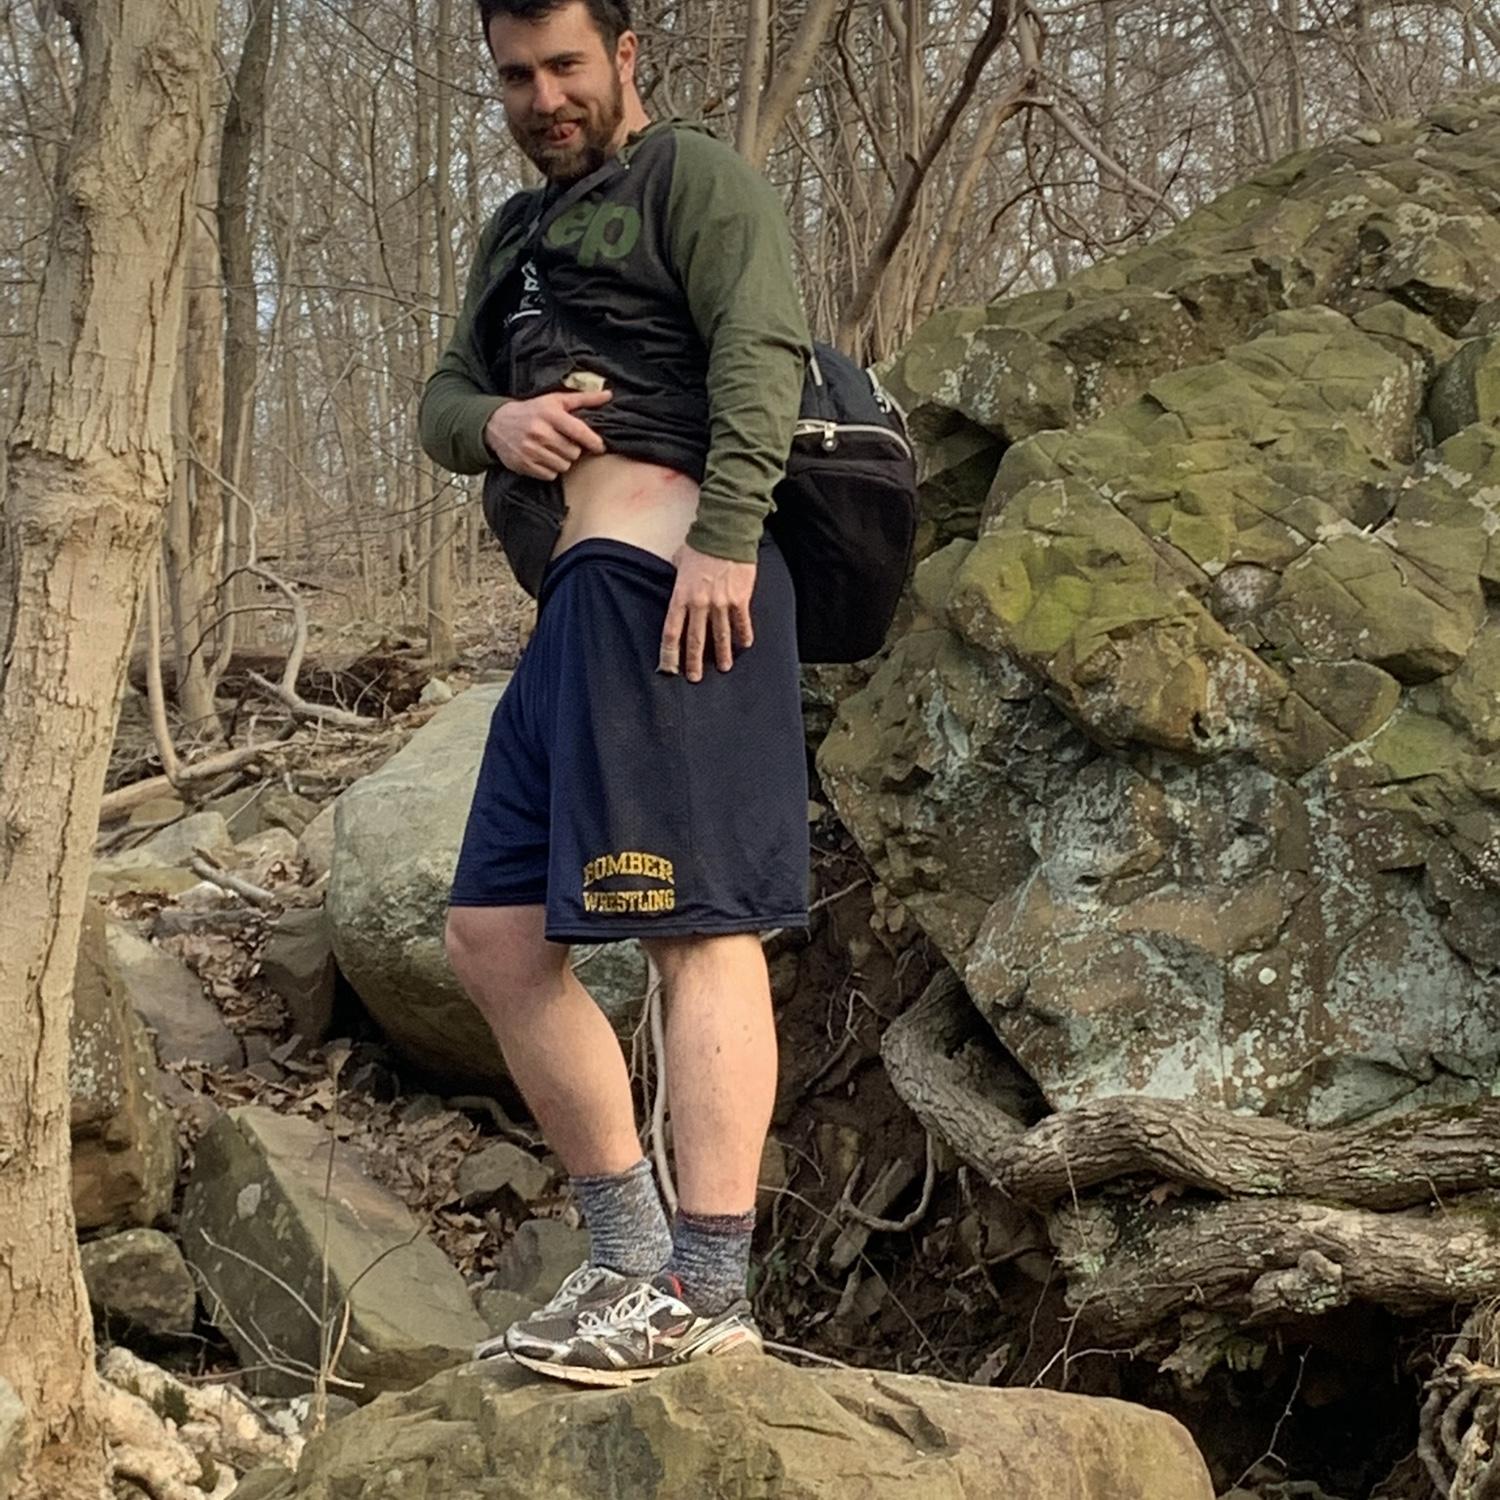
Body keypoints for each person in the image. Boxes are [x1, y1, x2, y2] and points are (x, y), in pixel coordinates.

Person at [418, 0, 812, 1386]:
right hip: (573, 613)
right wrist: (499, 426)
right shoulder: (513, 239)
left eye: (566, 66)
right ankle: (628, 1254)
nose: (543, 96)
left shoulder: (693, 181)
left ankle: (707, 1287)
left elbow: (764, 346)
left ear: (626, 58)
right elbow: (442, 402)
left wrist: (727, 541)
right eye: (517, 75)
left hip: (680, 597)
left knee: (696, 930)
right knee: (491, 936)